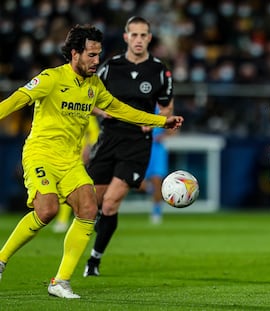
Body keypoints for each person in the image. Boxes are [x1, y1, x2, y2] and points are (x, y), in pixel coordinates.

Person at [0, 24, 183, 299]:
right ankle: (2, 260)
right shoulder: (50, 78)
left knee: (88, 208)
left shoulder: (94, 85)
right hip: (41, 155)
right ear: (75, 54)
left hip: (71, 160)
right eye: (91, 55)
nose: (97, 61)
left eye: (99, 55)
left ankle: (60, 281)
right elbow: (16, 100)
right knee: (47, 210)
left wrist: (160, 121)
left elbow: (121, 110)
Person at [83, 16, 174, 277]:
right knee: (93, 205)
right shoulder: (110, 67)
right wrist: (102, 112)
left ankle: (94, 260)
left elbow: (168, 107)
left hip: (137, 143)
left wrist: (155, 124)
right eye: (134, 35)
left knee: (111, 204)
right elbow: (88, 98)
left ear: (149, 37)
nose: (138, 40)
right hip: (108, 139)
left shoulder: (159, 70)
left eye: (143, 35)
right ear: (126, 37)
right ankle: (98, 228)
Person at [52, 115, 101, 233]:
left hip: (80, 157)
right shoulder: (61, 111)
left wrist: (90, 149)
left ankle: (89, 216)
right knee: (66, 189)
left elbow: (94, 133)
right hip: (63, 155)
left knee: (87, 187)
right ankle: (66, 219)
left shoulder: (83, 111)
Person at [139, 110, 172, 225]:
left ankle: (156, 212)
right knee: (139, 184)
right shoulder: (140, 106)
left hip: (157, 150)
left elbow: (173, 129)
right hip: (142, 149)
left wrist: (164, 134)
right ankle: (155, 192)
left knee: (157, 181)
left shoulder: (163, 110)